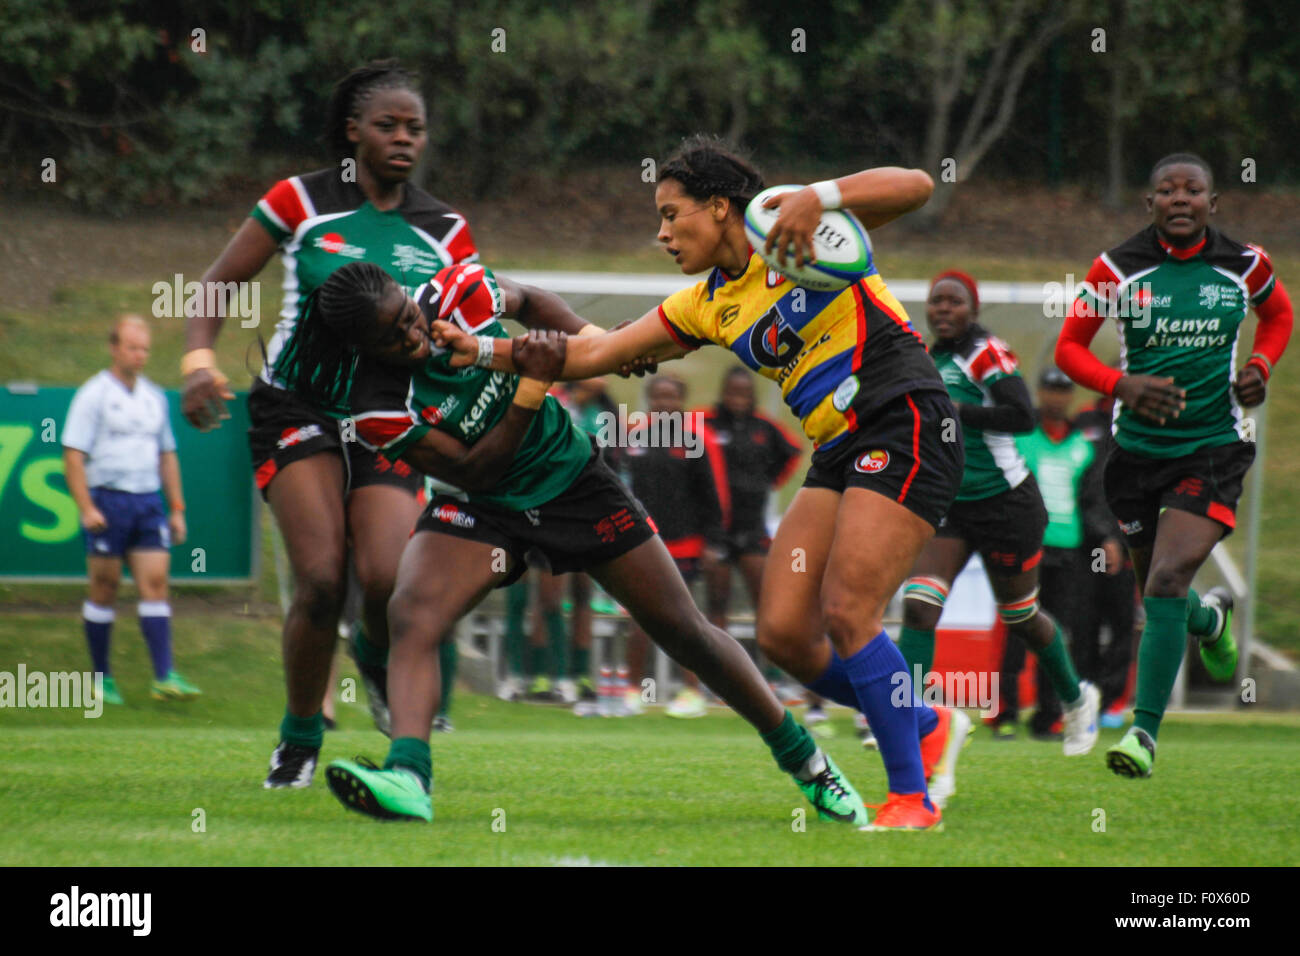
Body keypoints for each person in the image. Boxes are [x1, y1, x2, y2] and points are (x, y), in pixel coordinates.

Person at [436, 135, 972, 830]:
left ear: (720, 208)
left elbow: (915, 185)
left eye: (671, 213)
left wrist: (821, 195)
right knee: (783, 634)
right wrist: (480, 348)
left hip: (904, 418)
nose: (660, 233)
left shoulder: (788, 220)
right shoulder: (704, 304)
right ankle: (925, 723)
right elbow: (595, 350)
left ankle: (911, 800)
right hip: (837, 447)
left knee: (848, 611)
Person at [288, 259, 869, 827]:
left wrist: (593, 342)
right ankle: (409, 778)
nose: (414, 337)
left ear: (408, 293)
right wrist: (531, 388)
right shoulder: (374, 406)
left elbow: (532, 301)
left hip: (574, 486)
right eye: (393, 339)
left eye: (410, 318)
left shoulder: (458, 287)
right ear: (361, 349)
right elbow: (474, 471)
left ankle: (809, 763)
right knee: (412, 614)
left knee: (685, 631)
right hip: (483, 505)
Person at [179, 61, 478, 788]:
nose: (404, 138)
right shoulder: (300, 200)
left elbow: (473, 321)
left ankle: (375, 663)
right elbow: (219, 280)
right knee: (320, 578)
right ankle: (300, 736)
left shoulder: (445, 230)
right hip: (295, 407)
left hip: (386, 420)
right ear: (354, 132)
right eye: (388, 125)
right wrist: (196, 357)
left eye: (415, 128)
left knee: (385, 576)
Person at [1055, 152, 1293, 778]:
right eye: (1167, 190)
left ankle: (1143, 735)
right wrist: (1121, 384)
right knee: (1159, 593)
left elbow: (1279, 316)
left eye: (1193, 190)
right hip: (1134, 456)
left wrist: (1260, 368)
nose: (1180, 199)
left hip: (1212, 449)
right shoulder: (1116, 268)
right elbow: (1069, 347)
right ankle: (1210, 621)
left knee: (1163, 583)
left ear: (1214, 204)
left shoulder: (1246, 264)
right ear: (1150, 204)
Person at [898, 270, 1100, 760]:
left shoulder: (987, 353)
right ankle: (907, 721)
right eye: (937, 301)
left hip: (1007, 504)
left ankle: (1076, 699)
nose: (944, 309)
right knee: (920, 606)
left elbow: (1021, 416)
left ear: (974, 310)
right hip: (952, 505)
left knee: (1021, 616)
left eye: (955, 302)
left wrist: (958, 412)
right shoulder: (930, 358)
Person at [62, 316, 200, 704]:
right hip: (108, 501)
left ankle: (164, 676)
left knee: (155, 584)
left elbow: (167, 455)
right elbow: (73, 456)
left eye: (145, 349)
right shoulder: (93, 394)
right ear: (114, 348)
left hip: (147, 502)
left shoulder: (154, 397)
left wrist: (176, 508)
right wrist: (86, 507)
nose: (139, 355)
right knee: (104, 588)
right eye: (132, 347)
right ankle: (101, 679)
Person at [997, 366, 1111, 740]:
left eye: (1063, 391)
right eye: (1049, 389)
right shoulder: (1022, 435)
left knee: (1057, 633)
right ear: (1040, 393)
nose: (1056, 397)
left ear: (1070, 397)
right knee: (1017, 629)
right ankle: (1006, 713)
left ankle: (1047, 717)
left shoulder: (1082, 445)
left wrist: (1106, 538)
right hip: (1028, 543)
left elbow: (1092, 499)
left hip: (1068, 550)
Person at [619, 374, 729, 718]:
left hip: (685, 546)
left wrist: (713, 544)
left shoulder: (696, 439)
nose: (665, 403)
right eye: (659, 397)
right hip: (642, 545)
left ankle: (692, 692)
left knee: (683, 620)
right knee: (638, 619)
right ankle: (633, 691)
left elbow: (713, 496)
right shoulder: (632, 439)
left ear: (681, 401)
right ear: (650, 399)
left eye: (672, 398)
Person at [698, 367, 806, 714]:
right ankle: (719, 677)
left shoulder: (765, 428)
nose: (738, 398)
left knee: (765, 602)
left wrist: (768, 482)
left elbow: (793, 451)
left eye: (744, 392)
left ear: (752, 394)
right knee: (717, 601)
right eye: (733, 391)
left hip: (753, 529)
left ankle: (771, 676)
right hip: (716, 529)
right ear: (724, 391)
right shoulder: (708, 425)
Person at [1071, 376, 1140, 727]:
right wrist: (1102, 536)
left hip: (1127, 544)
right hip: (1084, 545)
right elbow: (1084, 486)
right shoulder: (1085, 424)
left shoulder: (1140, 426)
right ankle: (1086, 696)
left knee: (1122, 624)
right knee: (1084, 623)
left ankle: (1113, 701)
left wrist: (1121, 538)